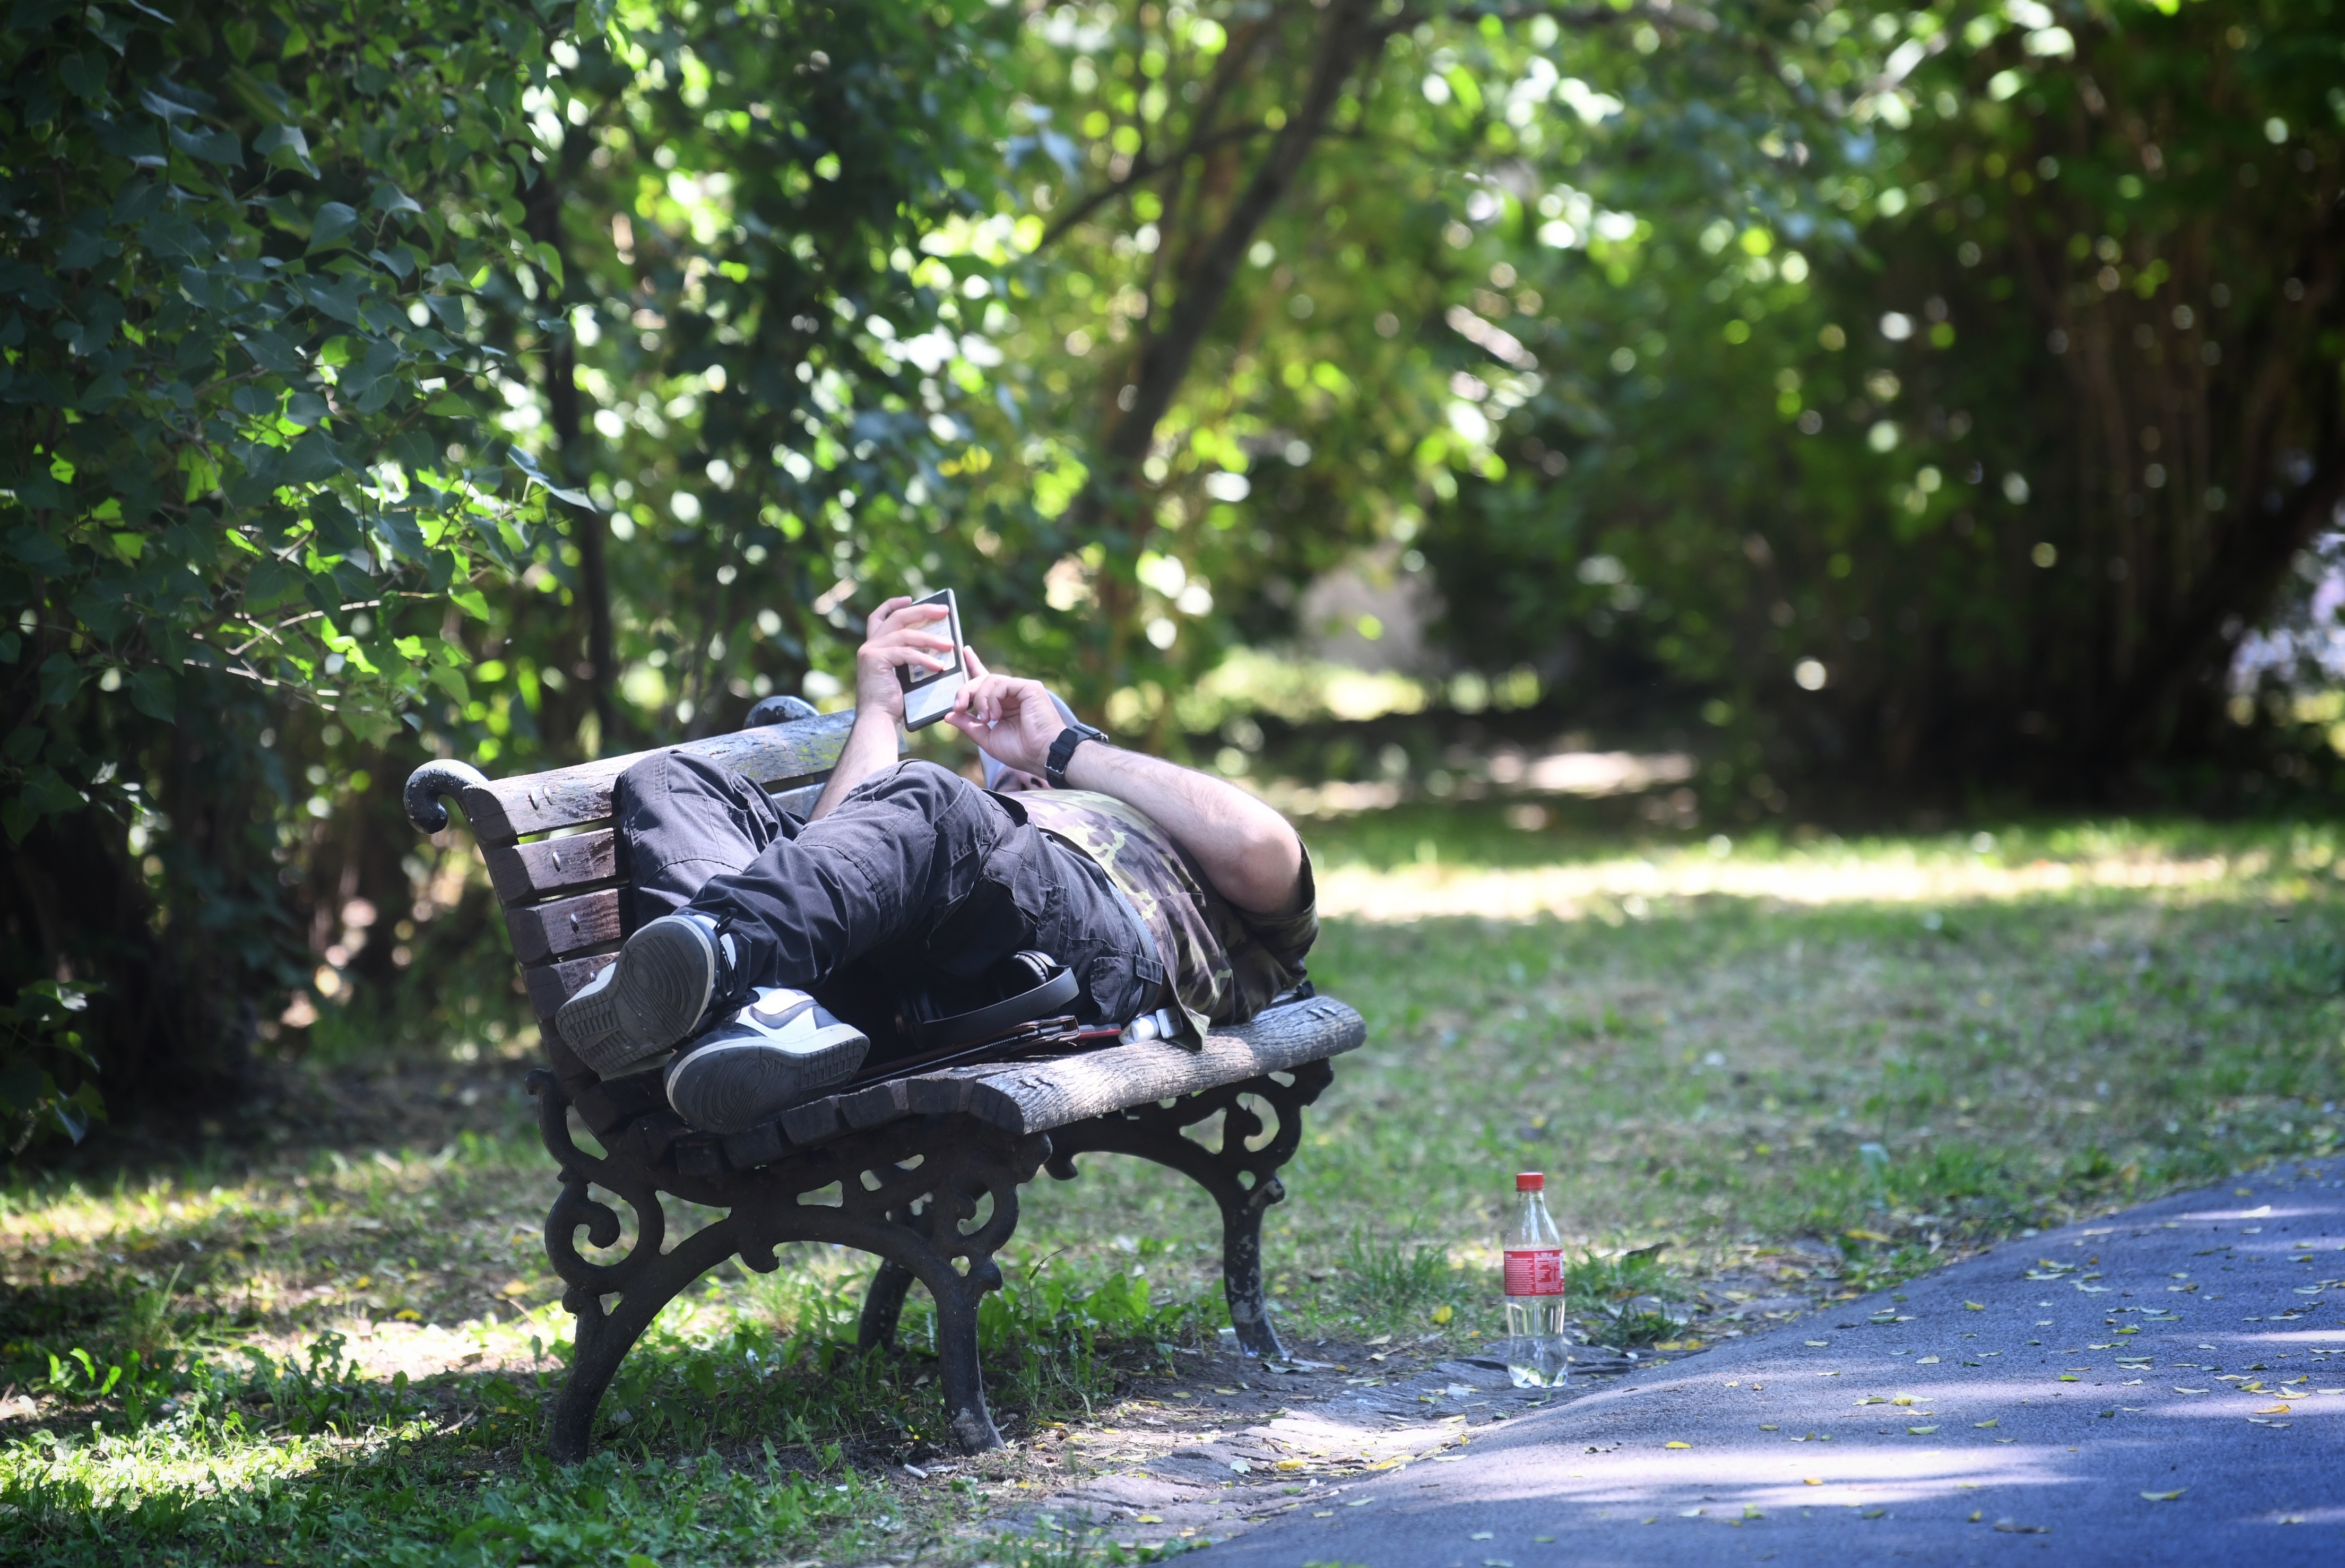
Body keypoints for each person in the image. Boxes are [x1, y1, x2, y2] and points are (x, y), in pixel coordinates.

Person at [556, 595, 1318, 1135]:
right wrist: (881, 717)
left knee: (933, 803)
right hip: (894, 967)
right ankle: (745, 1014)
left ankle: (714, 954)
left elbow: (1262, 849)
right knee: (669, 778)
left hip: (1086, 966)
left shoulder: (1161, 835)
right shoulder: (954, 833)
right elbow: (822, 863)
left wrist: (1067, 750)